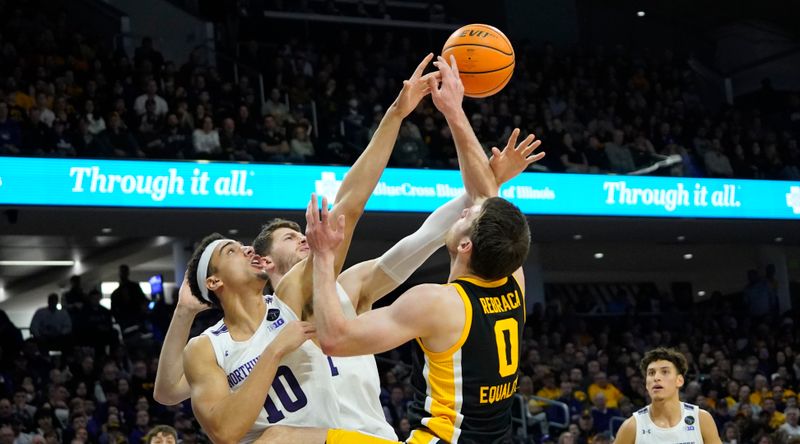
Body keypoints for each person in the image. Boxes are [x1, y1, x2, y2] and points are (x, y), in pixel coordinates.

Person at [177, 54, 444, 443]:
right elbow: (224, 431)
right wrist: (271, 354)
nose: (248, 250)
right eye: (232, 251)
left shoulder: (287, 302)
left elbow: (348, 207)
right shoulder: (204, 349)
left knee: (277, 439)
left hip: (329, 438)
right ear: (214, 281)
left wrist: (395, 116)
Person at [283, 55, 541, 443]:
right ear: (264, 260)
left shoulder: (387, 294)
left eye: (468, 216)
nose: (304, 239)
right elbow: (479, 199)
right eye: (290, 239)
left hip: (408, 437)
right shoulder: (511, 280)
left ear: (467, 244)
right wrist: (453, 113)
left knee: (278, 438)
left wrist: (322, 257)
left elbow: (336, 336)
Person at [613, 347, 722, 444]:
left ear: (679, 380)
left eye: (664, 372)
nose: (656, 378)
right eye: (651, 373)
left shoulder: (701, 419)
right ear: (646, 384)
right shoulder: (632, 426)